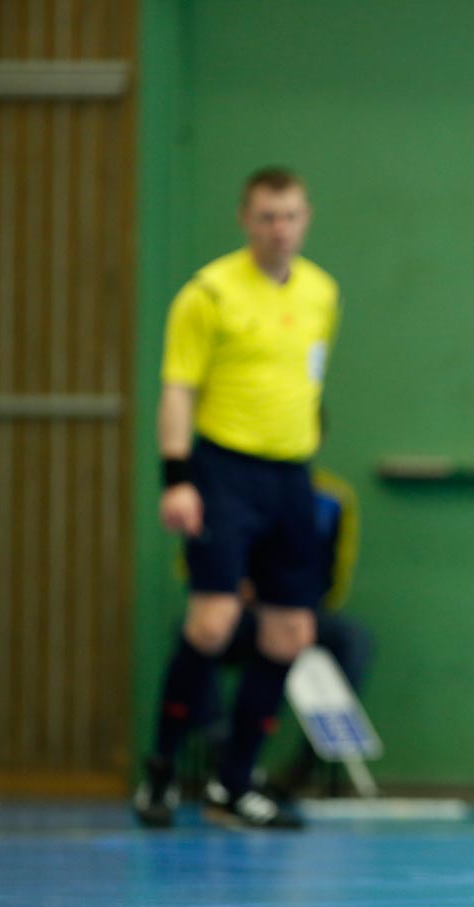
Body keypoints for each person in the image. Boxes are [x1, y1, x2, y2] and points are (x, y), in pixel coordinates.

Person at [132, 166, 340, 830]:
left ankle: (233, 782)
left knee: (290, 633)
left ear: (307, 218)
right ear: (245, 221)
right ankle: (161, 771)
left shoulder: (321, 292)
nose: (280, 230)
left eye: (291, 216)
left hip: (290, 476)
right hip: (222, 472)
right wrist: (178, 478)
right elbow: (177, 389)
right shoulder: (208, 294)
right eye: (266, 217)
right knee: (212, 624)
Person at [189, 464, 374, 802]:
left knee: (352, 639)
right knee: (201, 635)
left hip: (296, 606)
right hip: (241, 610)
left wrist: (296, 601)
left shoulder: (331, 497)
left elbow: (334, 569)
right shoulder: (225, 490)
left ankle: (304, 766)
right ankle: (221, 745)